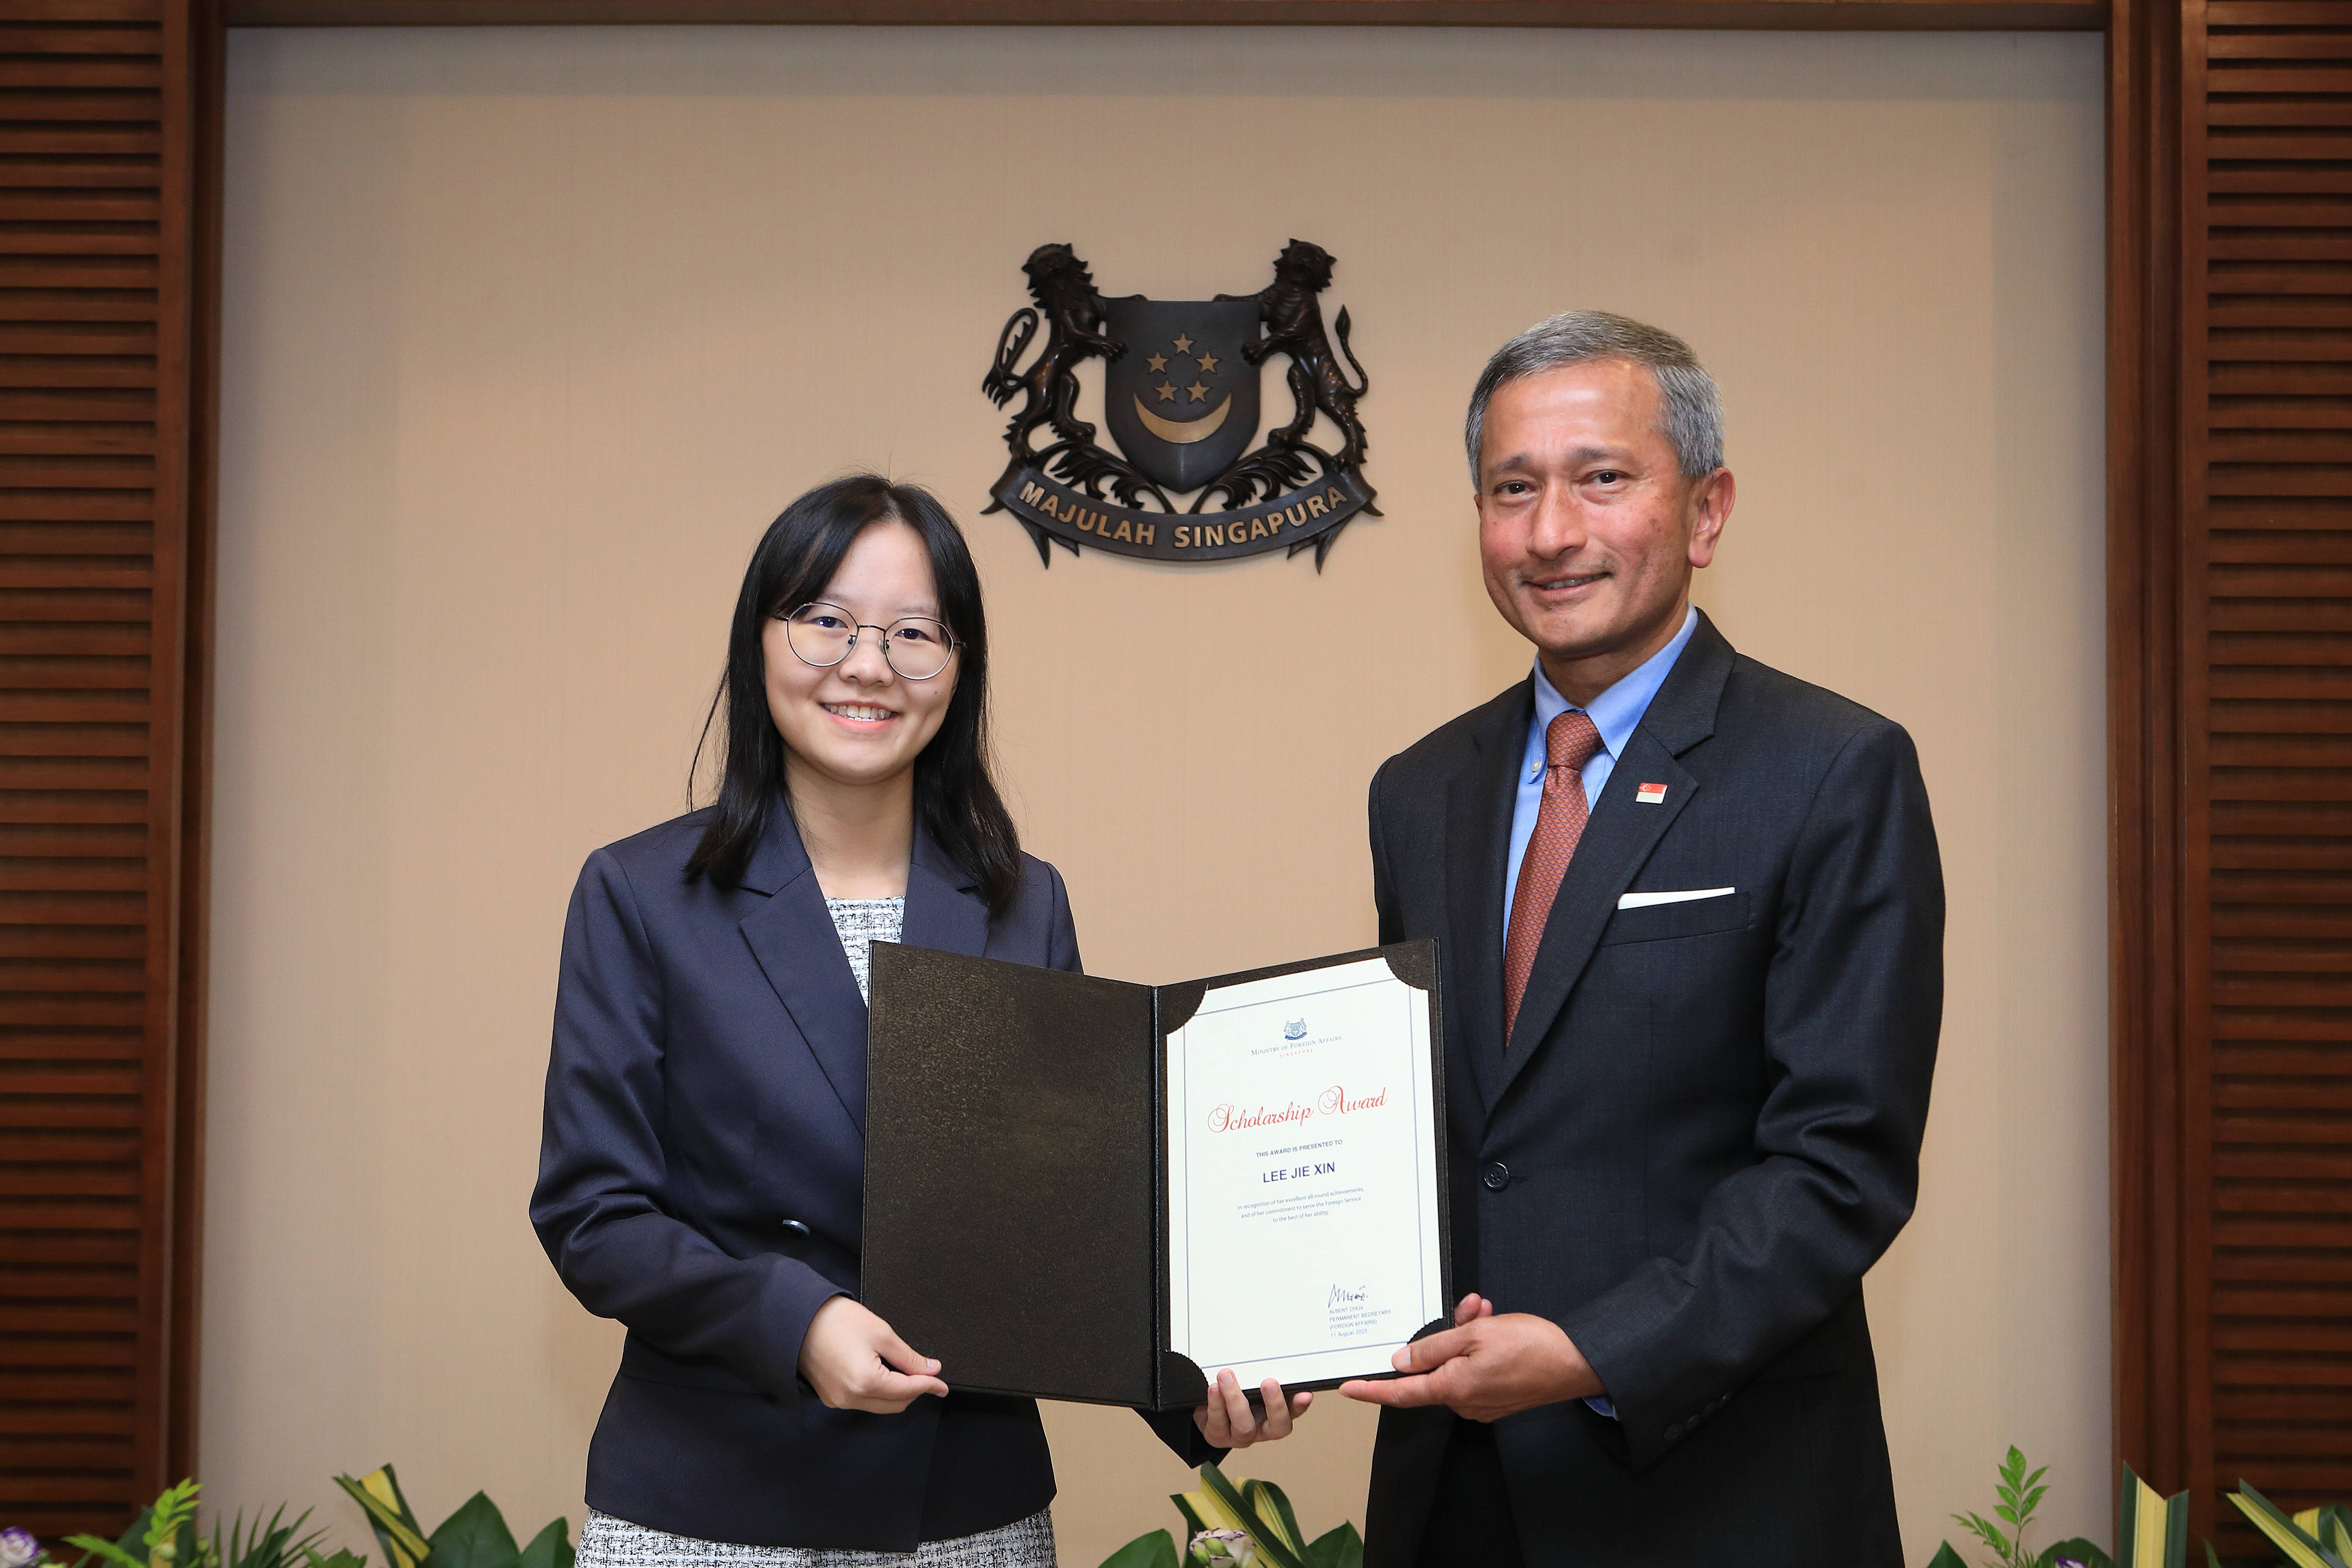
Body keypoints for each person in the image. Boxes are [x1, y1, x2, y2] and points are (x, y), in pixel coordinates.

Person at [531, 475, 1305, 1567]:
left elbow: (1073, 1213)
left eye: (914, 633)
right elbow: (594, 1214)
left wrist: (1196, 1391)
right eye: (827, 622)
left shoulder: (1023, 899)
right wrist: (794, 1322)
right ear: (762, 641)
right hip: (709, 1507)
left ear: (960, 666)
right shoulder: (641, 892)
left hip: (965, 1513)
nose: (868, 664)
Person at [1340, 315, 1944, 1565]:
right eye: (1514, 490)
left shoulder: (1833, 771)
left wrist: (1591, 1354)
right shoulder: (1418, 790)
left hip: (1717, 1495)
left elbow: (1842, 1168)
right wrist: (1277, 1335)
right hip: (1454, 1504)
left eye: (1601, 478)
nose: (1551, 532)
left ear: (1707, 511)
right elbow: (1426, 1136)